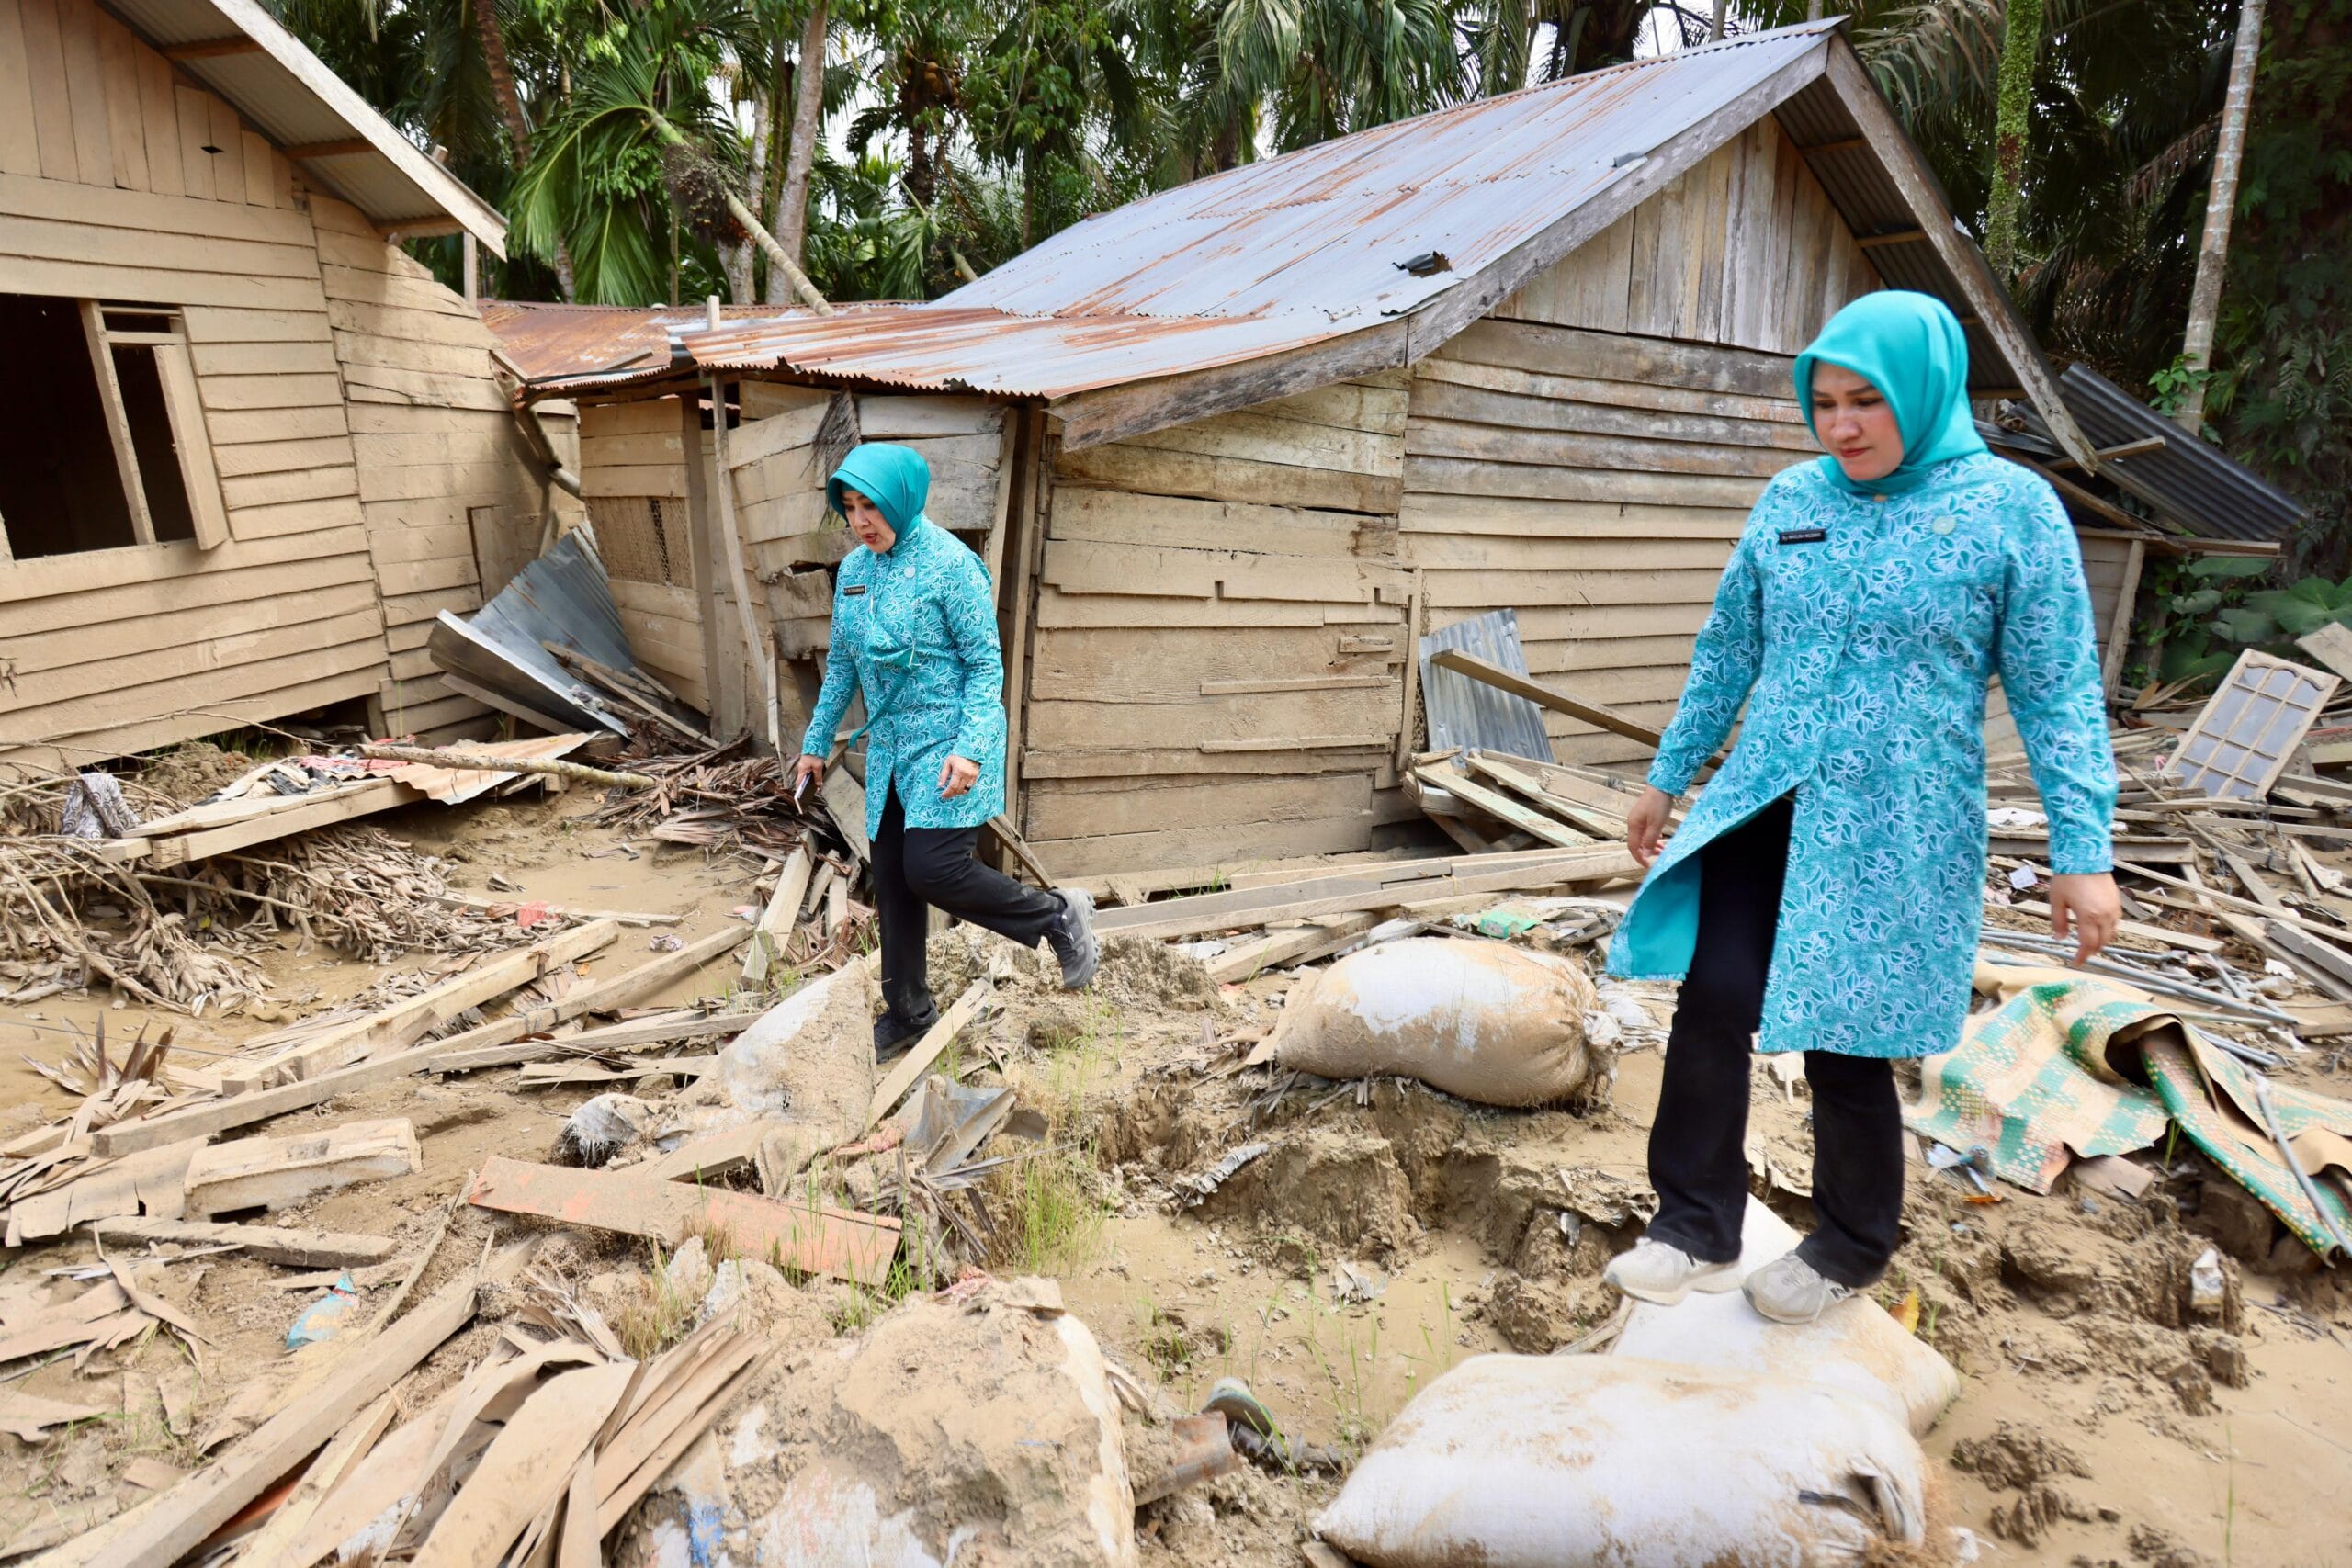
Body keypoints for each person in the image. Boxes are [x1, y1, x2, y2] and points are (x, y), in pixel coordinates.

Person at [1600, 291, 2121, 1325]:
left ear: (1924, 394)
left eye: (1866, 402)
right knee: (1714, 1001)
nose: (1841, 426)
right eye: (1824, 403)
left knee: (1848, 1033)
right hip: (1769, 797)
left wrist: (2083, 849)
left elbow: (2057, 690)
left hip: (1900, 821)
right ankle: (1692, 1223)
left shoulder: (2011, 512)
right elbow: (1728, 650)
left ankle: (1848, 1245)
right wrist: (1669, 774)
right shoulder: (1792, 498)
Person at [790, 442, 1100, 1058]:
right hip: (890, 756)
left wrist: (972, 749)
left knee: (933, 869)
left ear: (901, 500)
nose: (861, 521)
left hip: (950, 748)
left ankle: (1056, 914)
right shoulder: (853, 573)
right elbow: (844, 664)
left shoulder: (951, 566)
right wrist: (815, 743)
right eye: (849, 508)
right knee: (896, 883)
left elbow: (986, 668)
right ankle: (907, 1010)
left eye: (871, 506)